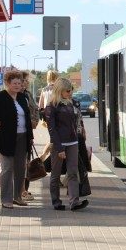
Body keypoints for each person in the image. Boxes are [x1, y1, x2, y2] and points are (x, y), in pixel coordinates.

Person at [44, 77, 88, 211]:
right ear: (59, 90)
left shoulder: (72, 103)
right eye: (67, 90)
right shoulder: (52, 106)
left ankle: (74, 202)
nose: (70, 93)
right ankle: (56, 202)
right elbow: (52, 129)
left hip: (73, 141)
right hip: (59, 143)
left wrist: (80, 131)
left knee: (73, 172)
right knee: (56, 174)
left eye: (71, 90)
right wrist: (59, 147)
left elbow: (77, 121)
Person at [0, 70, 35, 208]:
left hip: (23, 137)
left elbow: (28, 119)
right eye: (14, 83)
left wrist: (30, 137)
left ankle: (17, 197)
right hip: (5, 138)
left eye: (20, 83)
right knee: (7, 168)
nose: (18, 85)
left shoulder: (22, 98)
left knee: (20, 168)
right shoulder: (0, 97)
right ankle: (6, 199)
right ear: (7, 83)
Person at [21, 71, 40, 201]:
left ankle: (24, 190)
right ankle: (19, 191)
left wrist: (35, 121)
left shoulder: (27, 94)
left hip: (28, 132)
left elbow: (35, 109)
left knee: (26, 162)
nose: (27, 83)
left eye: (27, 80)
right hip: (17, 134)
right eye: (25, 80)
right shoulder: (14, 96)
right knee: (19, 164)